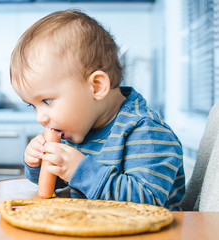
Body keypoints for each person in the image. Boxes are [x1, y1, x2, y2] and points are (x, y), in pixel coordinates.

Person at [10, 9, 185, 210]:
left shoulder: (147, 132)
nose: (40, 117)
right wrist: (41, 166)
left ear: (96, 87)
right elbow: (64, 184)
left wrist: (80, 170)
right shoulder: (80, 126)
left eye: (47, 101)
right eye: (33, 106)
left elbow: (146, 204)